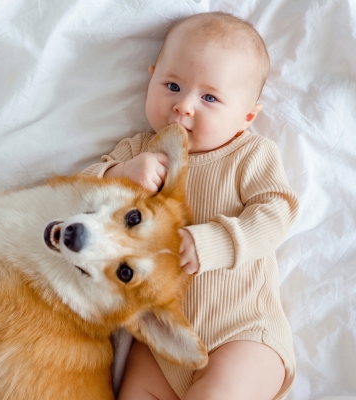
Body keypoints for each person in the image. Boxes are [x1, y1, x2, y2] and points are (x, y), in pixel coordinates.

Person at [81, 12, 299, 400]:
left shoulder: (249, 155)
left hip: (243, 332)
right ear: (151, 78)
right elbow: (77, 194)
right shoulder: (138, 152)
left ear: (246, 117)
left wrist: (214, 242)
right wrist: (119, 172)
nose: (183, 106)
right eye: (172, 85)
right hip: (160, 341)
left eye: (209, 97)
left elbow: (275, 214)